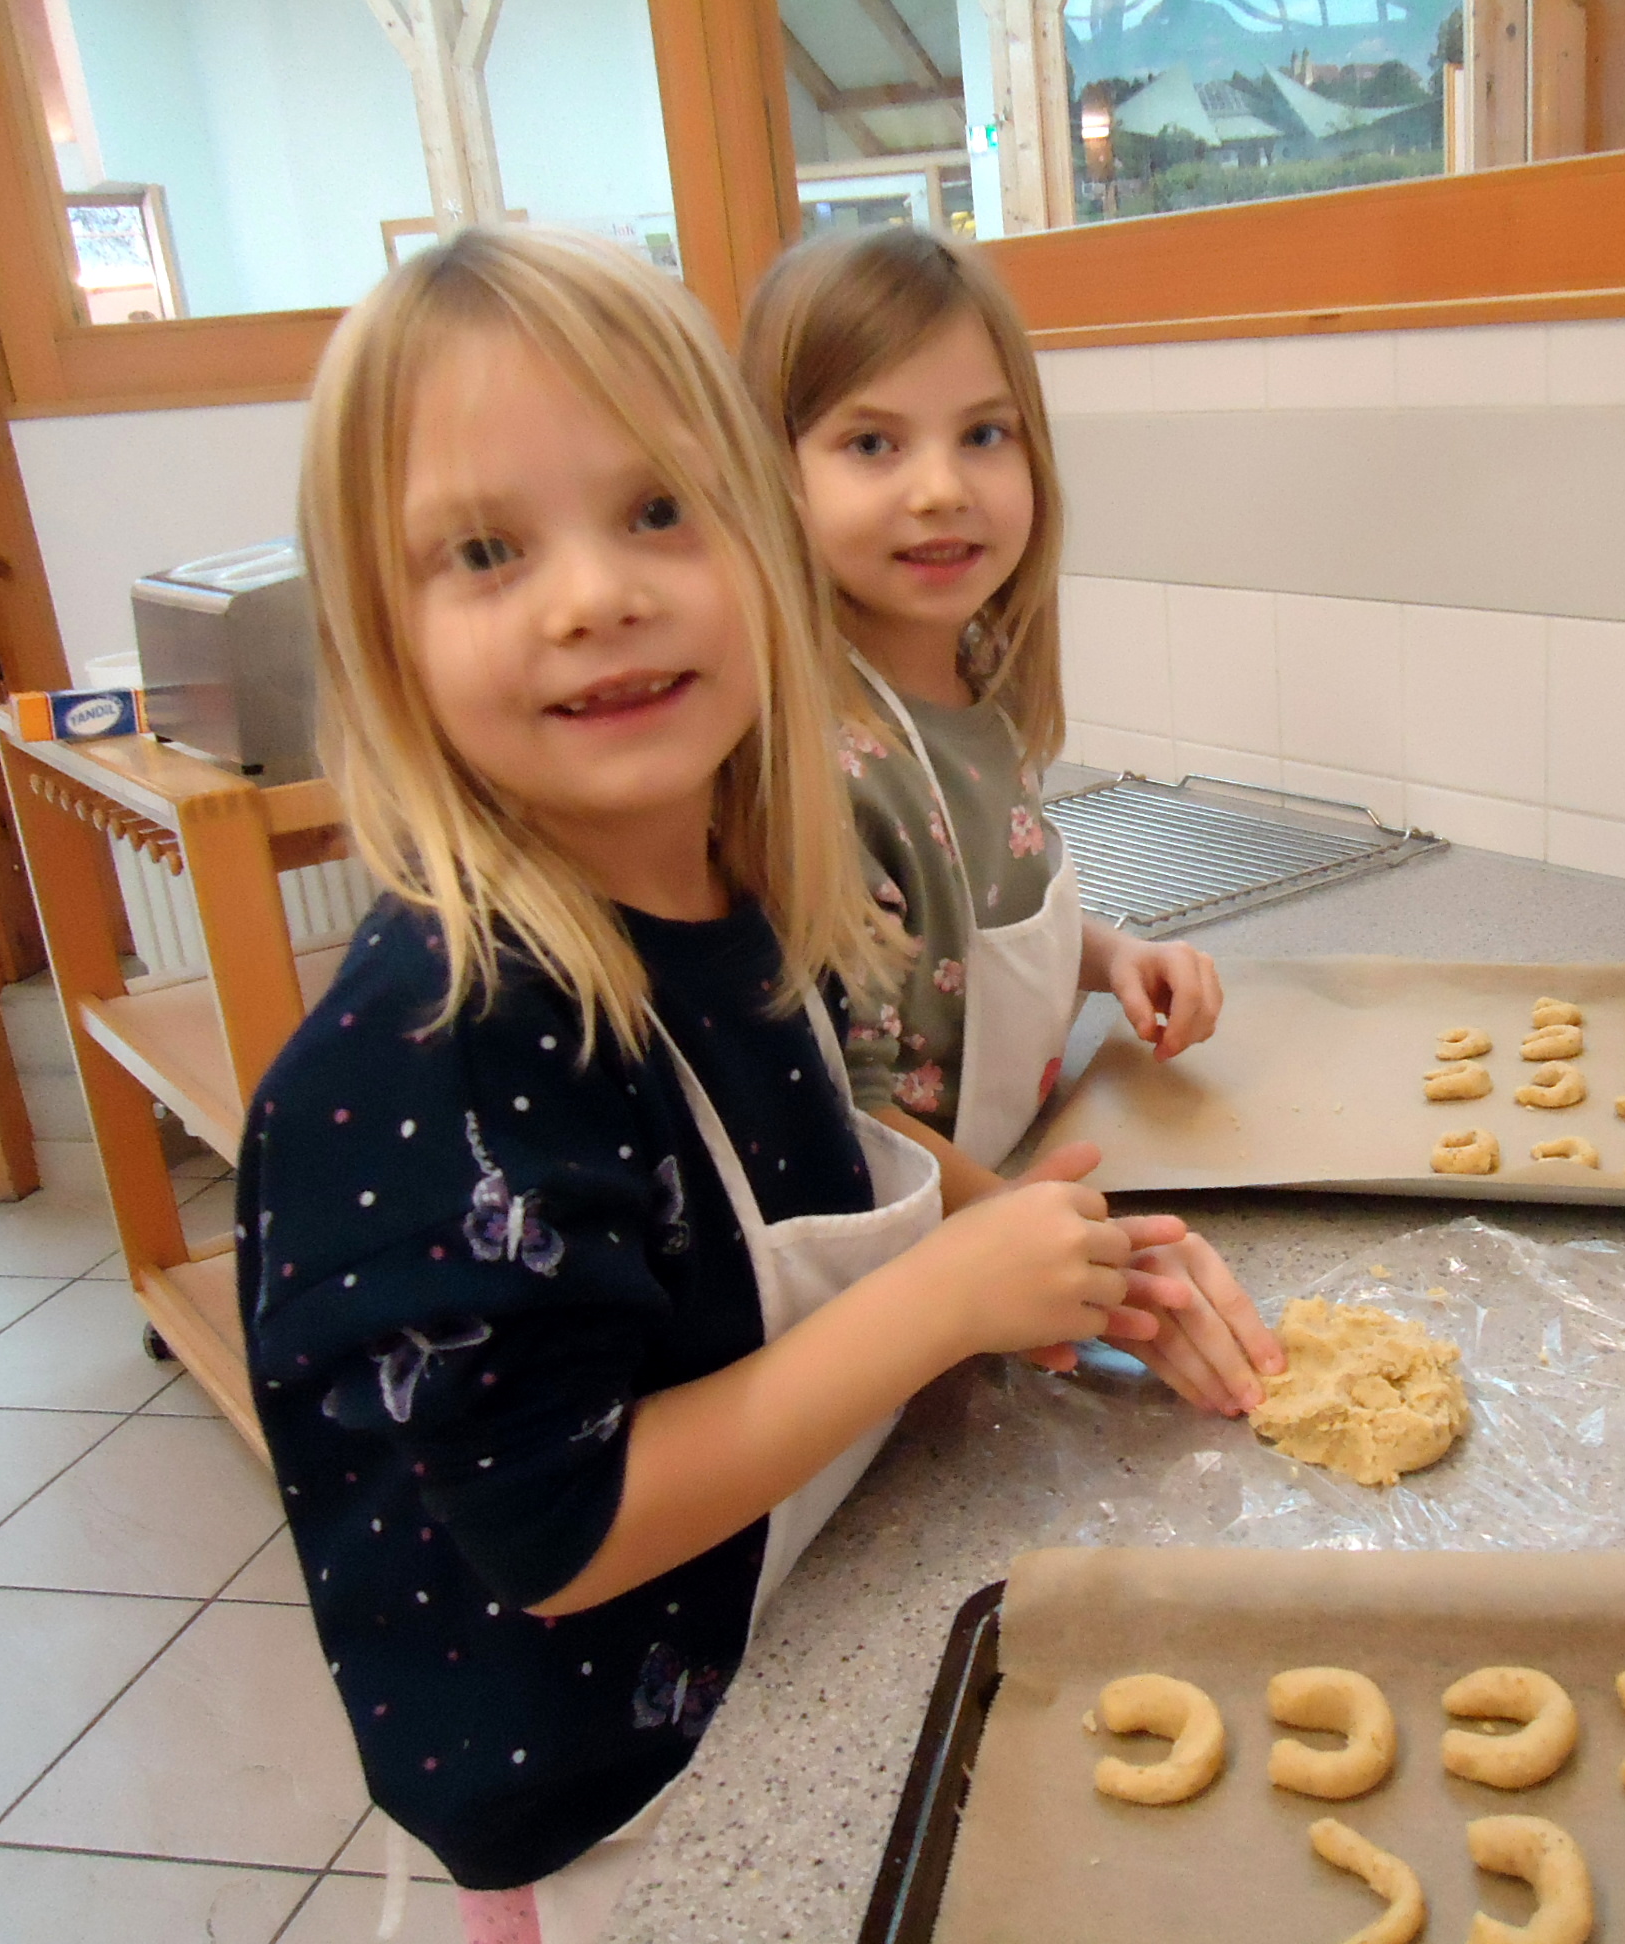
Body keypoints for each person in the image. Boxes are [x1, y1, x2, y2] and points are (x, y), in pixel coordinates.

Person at [238, 226, 1186, 1944]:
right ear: (383, 634)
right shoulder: (436, 1050)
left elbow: (809, 1132)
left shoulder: (716, 880)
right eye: (484, 549)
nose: (594, 591)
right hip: (613, 1803)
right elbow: (563, 1522)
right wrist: (938, 1305)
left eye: (660, 510)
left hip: (774, 1651)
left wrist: (1027, 1237)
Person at [740, 227, 1282, 1418]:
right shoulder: (831, 770)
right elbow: (850, 1109)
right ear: (773, 474)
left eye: (984, 434)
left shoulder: (969, 679)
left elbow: (977, 906)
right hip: (910, 1283)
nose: (942, 486)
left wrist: (1115, 957)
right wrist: (1042, 1246)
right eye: (871, 442)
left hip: (1010, 1211)